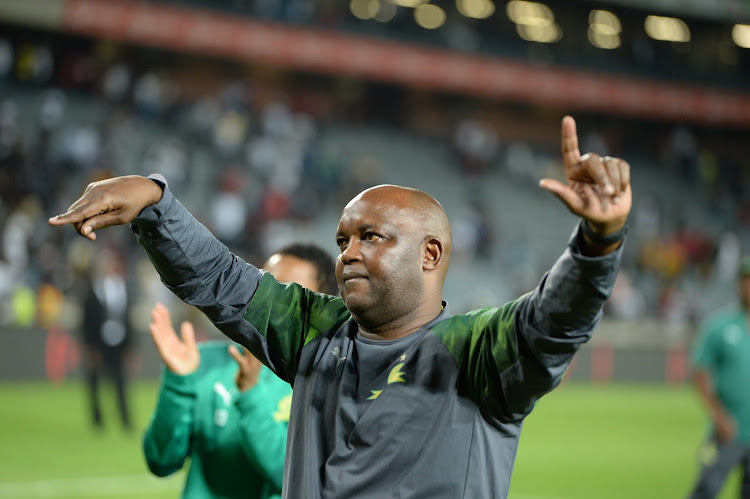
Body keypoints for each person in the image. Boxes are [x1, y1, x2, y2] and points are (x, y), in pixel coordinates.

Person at [49, 116, 631, 498]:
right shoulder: (315, 333)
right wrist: (155, 202)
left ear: (431, 254)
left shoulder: (473, 352)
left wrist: (597, 244)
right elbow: (223, 281)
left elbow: (552, 324)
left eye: (372, 238)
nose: (348, 253)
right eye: (342, 240)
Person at [143, 243, 338, 499]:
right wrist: (178, 383)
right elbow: (161, 461)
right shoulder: (206, 362)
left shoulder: (330, 380)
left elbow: (295, 478)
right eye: (266, 284)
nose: (271, 300)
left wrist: (250, 395)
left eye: (289, 293)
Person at [687, 257, 750, 499]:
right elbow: (700, 374)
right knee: (706, 489)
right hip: (728, 431)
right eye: (746, 280)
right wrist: (719, 415)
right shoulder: (720, 326)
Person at [81, 247, 134, 432]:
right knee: (95, 382)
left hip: (118, 341)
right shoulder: (93, 288)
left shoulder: (121, 287)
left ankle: (125, 419)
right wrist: (90, 347)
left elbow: (128, 319)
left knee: (120, 381)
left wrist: (130, 345)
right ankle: (97, 420)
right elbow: (86, 321)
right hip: (98, 343)